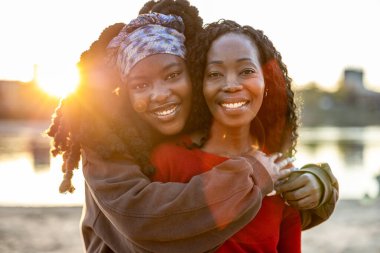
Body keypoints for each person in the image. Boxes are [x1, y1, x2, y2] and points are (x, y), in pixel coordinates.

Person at [45, 0, 338, 252]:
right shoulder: (106, 142)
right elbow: (146, 224)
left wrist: (318, 184)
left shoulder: (206, 132)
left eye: (173, 76)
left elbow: (269, 212)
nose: (160, 94)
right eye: (141, 84)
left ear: (194, 76)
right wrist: (254, 174)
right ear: (126, 92)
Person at [149, 19, 302, 252]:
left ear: (267, 80)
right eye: (215, 74)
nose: (231, 85)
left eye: (246, 71)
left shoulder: (278, 169)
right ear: (201, 84)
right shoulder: (167, 160)